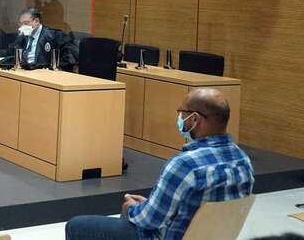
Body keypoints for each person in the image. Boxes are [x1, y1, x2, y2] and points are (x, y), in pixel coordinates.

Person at [65, 88, 254, 240]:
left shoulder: (185, 165)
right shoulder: (243, 161)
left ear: (195, 119)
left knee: (76, 226)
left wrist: (131, 208)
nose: (180, 118)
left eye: (182, 113)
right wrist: (149, 205)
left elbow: (148, 220)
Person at [0, 8, 78, 70]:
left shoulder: (53, 35)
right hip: (25, 71)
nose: (23, 26)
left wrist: (58, 68)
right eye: (21, 23)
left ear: (36, 21)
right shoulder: (24, 35)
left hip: (43, 74)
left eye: (26, 23)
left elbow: (70, 56)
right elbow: (11, 51)